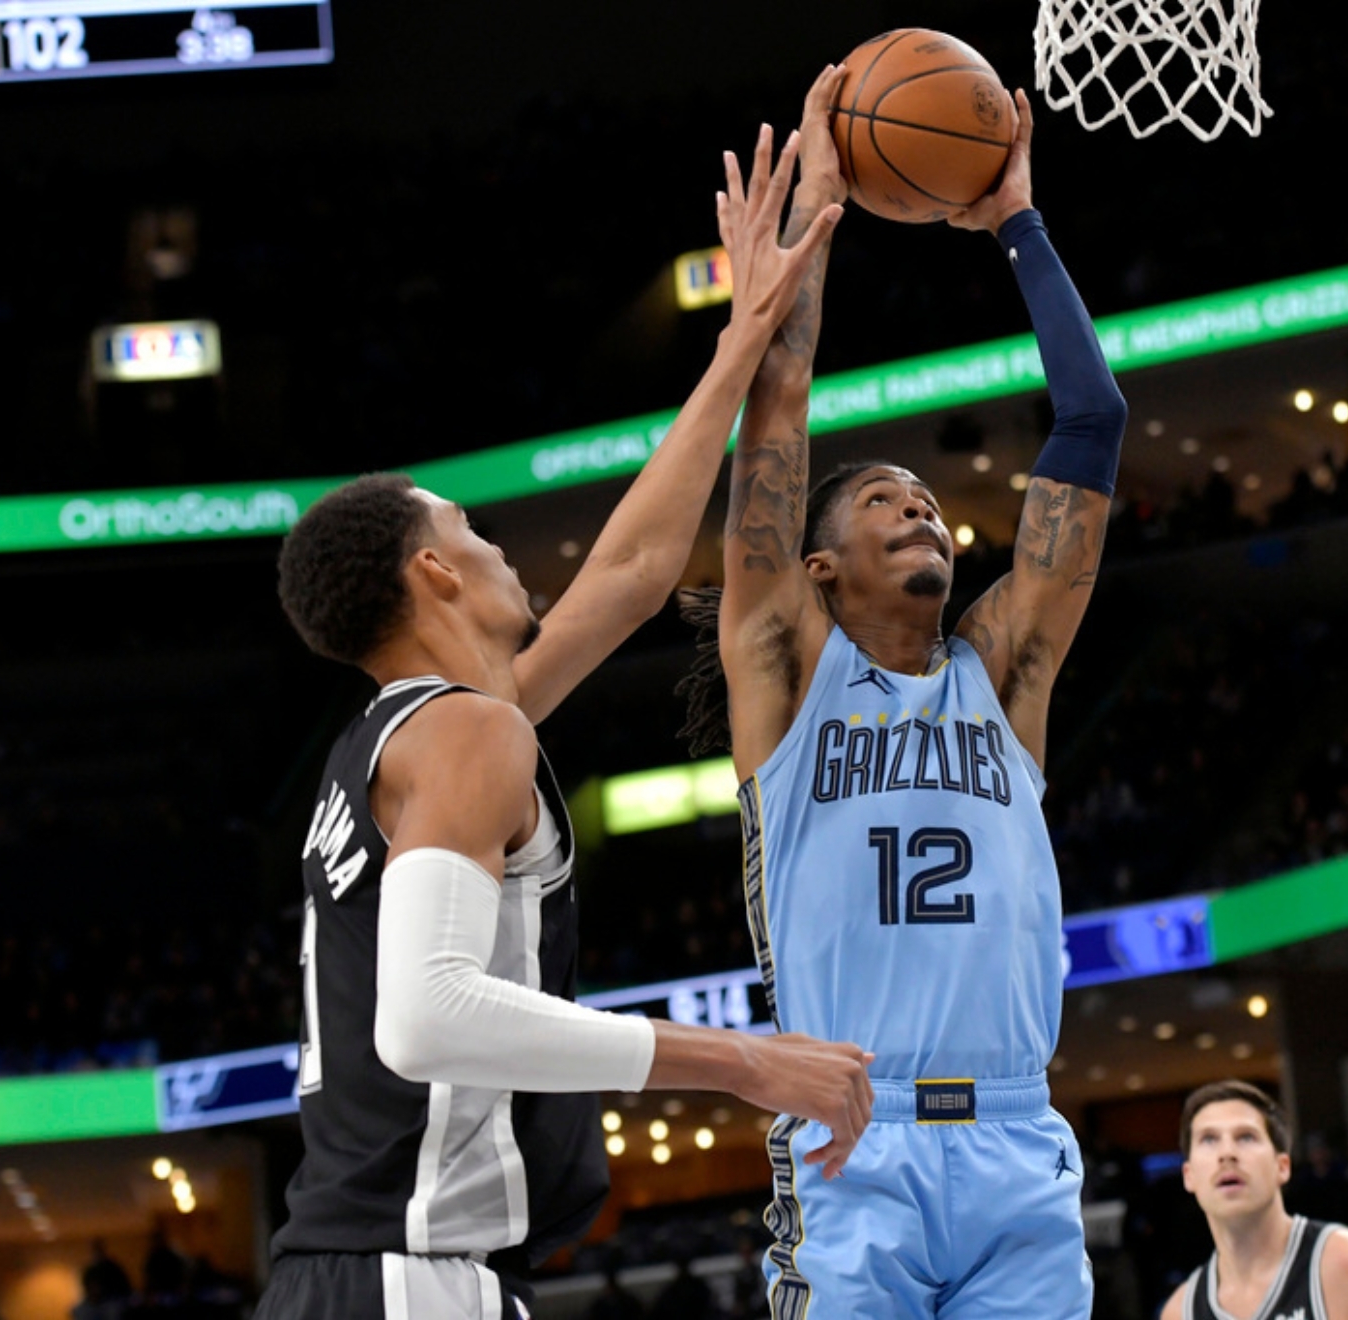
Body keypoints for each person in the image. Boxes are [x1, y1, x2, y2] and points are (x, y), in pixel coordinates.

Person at [258, 127, 874, 1320]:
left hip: (375, 1273)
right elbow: (430, 1016)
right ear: (434, 572)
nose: (502, 545)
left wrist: (744, 344)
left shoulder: (419, 735)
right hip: (406, 1277)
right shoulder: (464, 737)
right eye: (474, 529)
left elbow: (639, 567)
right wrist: (744, 1062)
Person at [679, 62, 1126, 1319]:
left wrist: (1021, 226)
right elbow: (774, 409)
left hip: (1016, 1141)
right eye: (885, 501)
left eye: (928, 501)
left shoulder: (1003, 673)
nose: (922, 507)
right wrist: (818, 210)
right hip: (849, 1145)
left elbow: (1092, 416)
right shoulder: (786, 671)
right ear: (816, 569)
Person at [1158, 1081, 1348, 1320]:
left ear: (1282, 1166)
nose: (1227, 1153)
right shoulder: (1179, 1312)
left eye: (1246, 1137)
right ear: (1189, 1175)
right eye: (1209, 1139)